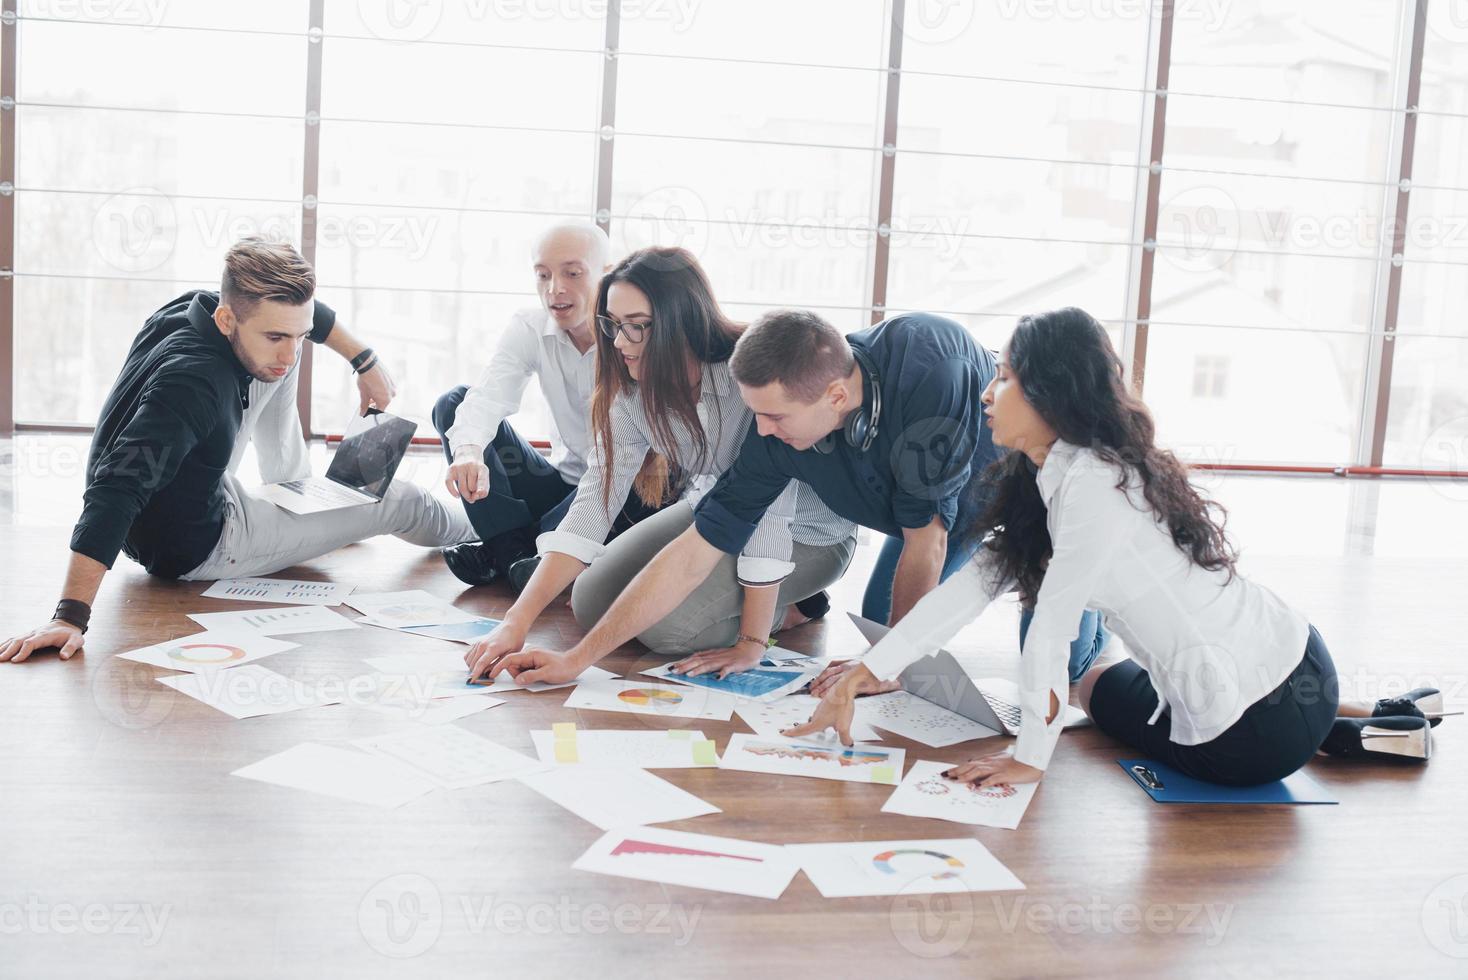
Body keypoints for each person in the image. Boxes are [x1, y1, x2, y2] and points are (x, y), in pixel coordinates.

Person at [786, 307, 1441, 788]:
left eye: (1006, 378)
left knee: (1083, 688)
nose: (987, 393)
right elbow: (973, 585)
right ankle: (1379, 720)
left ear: (1051, 394)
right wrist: (874, 669)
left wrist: (1027, 759)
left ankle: (1355, 731)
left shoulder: (1095, 486)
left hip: (1251, 737)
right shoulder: (1056, 468)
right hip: (1294, 652)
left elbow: (1051, 628)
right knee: (1091, 684)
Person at [477, 307, 1107, 687]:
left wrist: (883, 666)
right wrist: (579, 659)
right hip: (922, 514)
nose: (764, 433)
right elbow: (699, 547)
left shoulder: (928, 367)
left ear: (835, 396)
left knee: (1050, 666)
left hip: (1016, 491)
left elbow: (928, 540)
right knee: (881, 615)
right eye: (758, 416)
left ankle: (1100, 617)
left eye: (776, 418)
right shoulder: (778, 421)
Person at [0, 237, 473, 664]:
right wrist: (69, 616)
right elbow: (116, 489)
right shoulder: (192, 384)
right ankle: (484, 521)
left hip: (184, 485)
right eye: (276, 337)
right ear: (227, 319)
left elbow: (296, 317)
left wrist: (363, 360)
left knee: (277, 361)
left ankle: (300, 493)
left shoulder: (200, 307)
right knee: (402, 500)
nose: (290, 352)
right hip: (202, 544)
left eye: (298, 335)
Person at [463, 247, 857, 682]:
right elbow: (593, 506)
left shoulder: (745, 374)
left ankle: (799, 605)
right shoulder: (630, 396)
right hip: (716, 510)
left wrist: (750, 643)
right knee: (592, 599)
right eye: (613, 325)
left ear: (682, 321)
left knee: (669, 631)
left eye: (637, 327)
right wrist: (514, 622)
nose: (617, 342)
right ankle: (738, 602)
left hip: (806, 532)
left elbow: (770, 517)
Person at [433, 222, 664, 589]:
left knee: (643, 473)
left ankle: (508, 553)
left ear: (605, 276)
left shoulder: (633, 334)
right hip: (561, 483)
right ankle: (517, 553)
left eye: (573, 274)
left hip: (621, 488)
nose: (555, 288)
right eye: (543, 275)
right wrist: (468, 451)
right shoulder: (530, 326)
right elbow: (489, 395)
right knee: (454, 402)